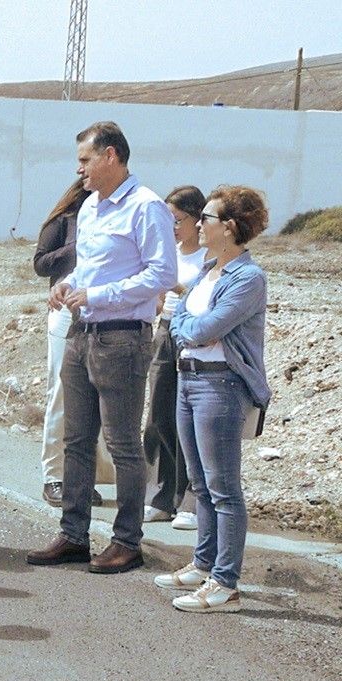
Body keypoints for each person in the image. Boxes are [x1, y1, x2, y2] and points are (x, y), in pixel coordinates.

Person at [27, 121, 176, 574]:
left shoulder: (146, 207)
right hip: (81, 333)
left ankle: (127, 541)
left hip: (123, 338)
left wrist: (98, 296)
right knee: (76, 440)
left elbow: (162, 275)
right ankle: (74, 534)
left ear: (111, 156)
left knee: (123, 444)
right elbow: (90, 269)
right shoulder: (90, 207)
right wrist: (68, 286)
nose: (80, 170)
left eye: (86, 160)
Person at [155, 186, 270, 613]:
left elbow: (198, 328)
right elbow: (183, 316)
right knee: (201, 484)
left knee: (224, 489)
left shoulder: (248, 278)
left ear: (231, 227)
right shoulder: (208, 269)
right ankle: (204, 564)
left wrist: (185, 321)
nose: (198, 223)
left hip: (220, 386)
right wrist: (187, 319)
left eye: (207, 217)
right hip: (189, 381)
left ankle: (226, 584)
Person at [33, 178, 112, 508]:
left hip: (104, 310)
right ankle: (55, 476)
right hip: (65, 311)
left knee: (94, 397)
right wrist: (78, 247)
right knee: (62, 393)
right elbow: (40, 264)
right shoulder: (63, 220)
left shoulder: (117, 217)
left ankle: (82, 477)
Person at [142, 186, 208, 529]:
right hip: (165, 331)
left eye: (178, 219)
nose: (173, 227)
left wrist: (178, 289)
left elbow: (205, 299)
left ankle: (191, 499)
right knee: (158, 415)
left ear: (198, 218)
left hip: (195, 335)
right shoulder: (168, 251)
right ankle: (161, 495)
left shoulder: (209, 257)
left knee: (191, 419)